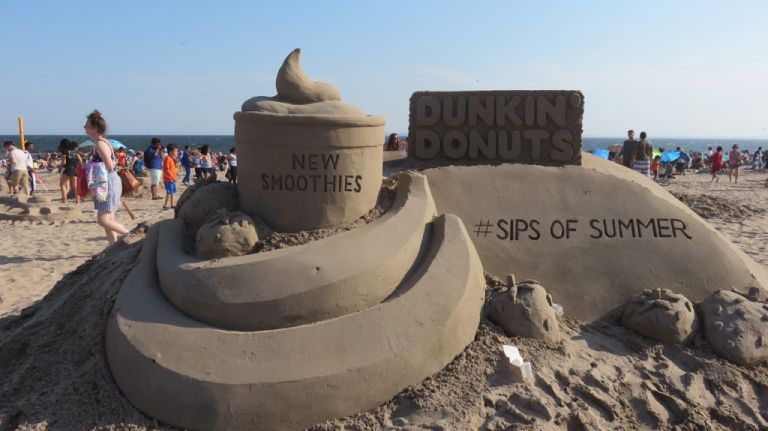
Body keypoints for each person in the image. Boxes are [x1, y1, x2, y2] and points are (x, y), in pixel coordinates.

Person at [84, 110, 129, 244]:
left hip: (107, 182)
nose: (84, 127)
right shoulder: (104, 142)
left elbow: (109, 165)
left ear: (94, 128)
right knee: (109, 220)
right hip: (109, 180)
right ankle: (113, 247)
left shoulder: (100, 143)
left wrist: (91, 166)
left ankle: (130, 234)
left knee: (102, 220)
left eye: (86, 125)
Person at [59, 139, 82, 204]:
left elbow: (64, 162)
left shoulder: (64, 151)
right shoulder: (74, 152)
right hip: (75, 169)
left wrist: (58, 166)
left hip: (68, 169)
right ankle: (77, 201)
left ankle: (65, 200)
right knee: (75, 186)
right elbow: (80, 160)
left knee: (62, 184)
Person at [162, 144, 179, 210]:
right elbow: (167, 169)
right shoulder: (167, 158)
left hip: (172, 179)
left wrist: (176, 174)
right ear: (171, 152)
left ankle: (172, 204)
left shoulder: (171, 159)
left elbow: (172, 169)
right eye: (176, 151)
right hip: (168, 179)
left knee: (172, 192)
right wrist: (173, 177)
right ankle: (165, 205)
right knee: (169, 192)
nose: (177, 153)